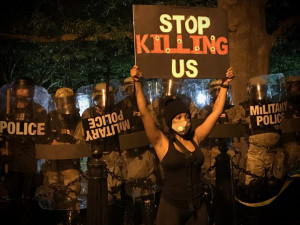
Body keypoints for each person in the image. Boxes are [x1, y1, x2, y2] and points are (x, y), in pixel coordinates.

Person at [130, 65, 234, 225]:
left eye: (186, 116)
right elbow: (144, 112)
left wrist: (225, 84)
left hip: (198, 208)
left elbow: (215, 113)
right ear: (170, 121)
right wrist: (137, 83)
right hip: (172, 208)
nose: (184, 121)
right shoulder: (161, 142)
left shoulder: (196, 137)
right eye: (178, 117)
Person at [0, 77, 47, 225]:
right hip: (12, 161)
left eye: (25, 88)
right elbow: (1, 135)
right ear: (14, 91)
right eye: (19, 88)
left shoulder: (39, 111)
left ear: (31, 91)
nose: (21, 90)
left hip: (30, 161)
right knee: (13, 198)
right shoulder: (6, 111)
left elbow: (43, 137)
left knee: (29, 198)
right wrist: (2, 147)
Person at [115, 77, 159, 225]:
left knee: (147, 198)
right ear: (124, 90)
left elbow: (156, 125)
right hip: (127, 155)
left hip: (144, 153)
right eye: (128, 88)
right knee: (129, 200)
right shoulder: (119, 108)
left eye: (134, 87)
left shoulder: (147, 105)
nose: (131, 91)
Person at [37, 87, 82, 225]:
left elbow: (80, 142)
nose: (65, 105)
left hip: (70, 164)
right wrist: (51, 142)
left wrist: (63, 145)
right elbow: (42, 137)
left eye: (68, 102)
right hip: (52, 163)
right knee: (53, 195)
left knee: (71, 195)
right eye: (62, 102)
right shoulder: (49, 117)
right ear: (56, 103)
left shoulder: (77, 119)